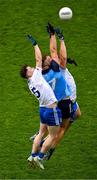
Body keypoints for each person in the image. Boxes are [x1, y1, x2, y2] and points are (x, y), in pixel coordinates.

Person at [30, 23, 81, 160]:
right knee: (63, 126)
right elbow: (57, 54)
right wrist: (60, 37)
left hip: (55, 101)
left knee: (77, 114)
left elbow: (52, 53)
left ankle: (40, 136)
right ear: (49, 64)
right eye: (50, 59)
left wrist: (51, 35)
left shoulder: (41, 75)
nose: (52, 57)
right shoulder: (58, 69)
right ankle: (49, 148)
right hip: (67, 99)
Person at [20, 40, 62, 169]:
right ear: (28, 74)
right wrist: (35, 44)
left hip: (42, 110)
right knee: (53, 135)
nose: (32, 68)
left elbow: (37, 61)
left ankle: (32, 155)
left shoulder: (30, 83)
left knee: (40, 133)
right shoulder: (36, 76)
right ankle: (40, 157)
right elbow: (38, 58)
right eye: (30, 69)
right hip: (51, 109)